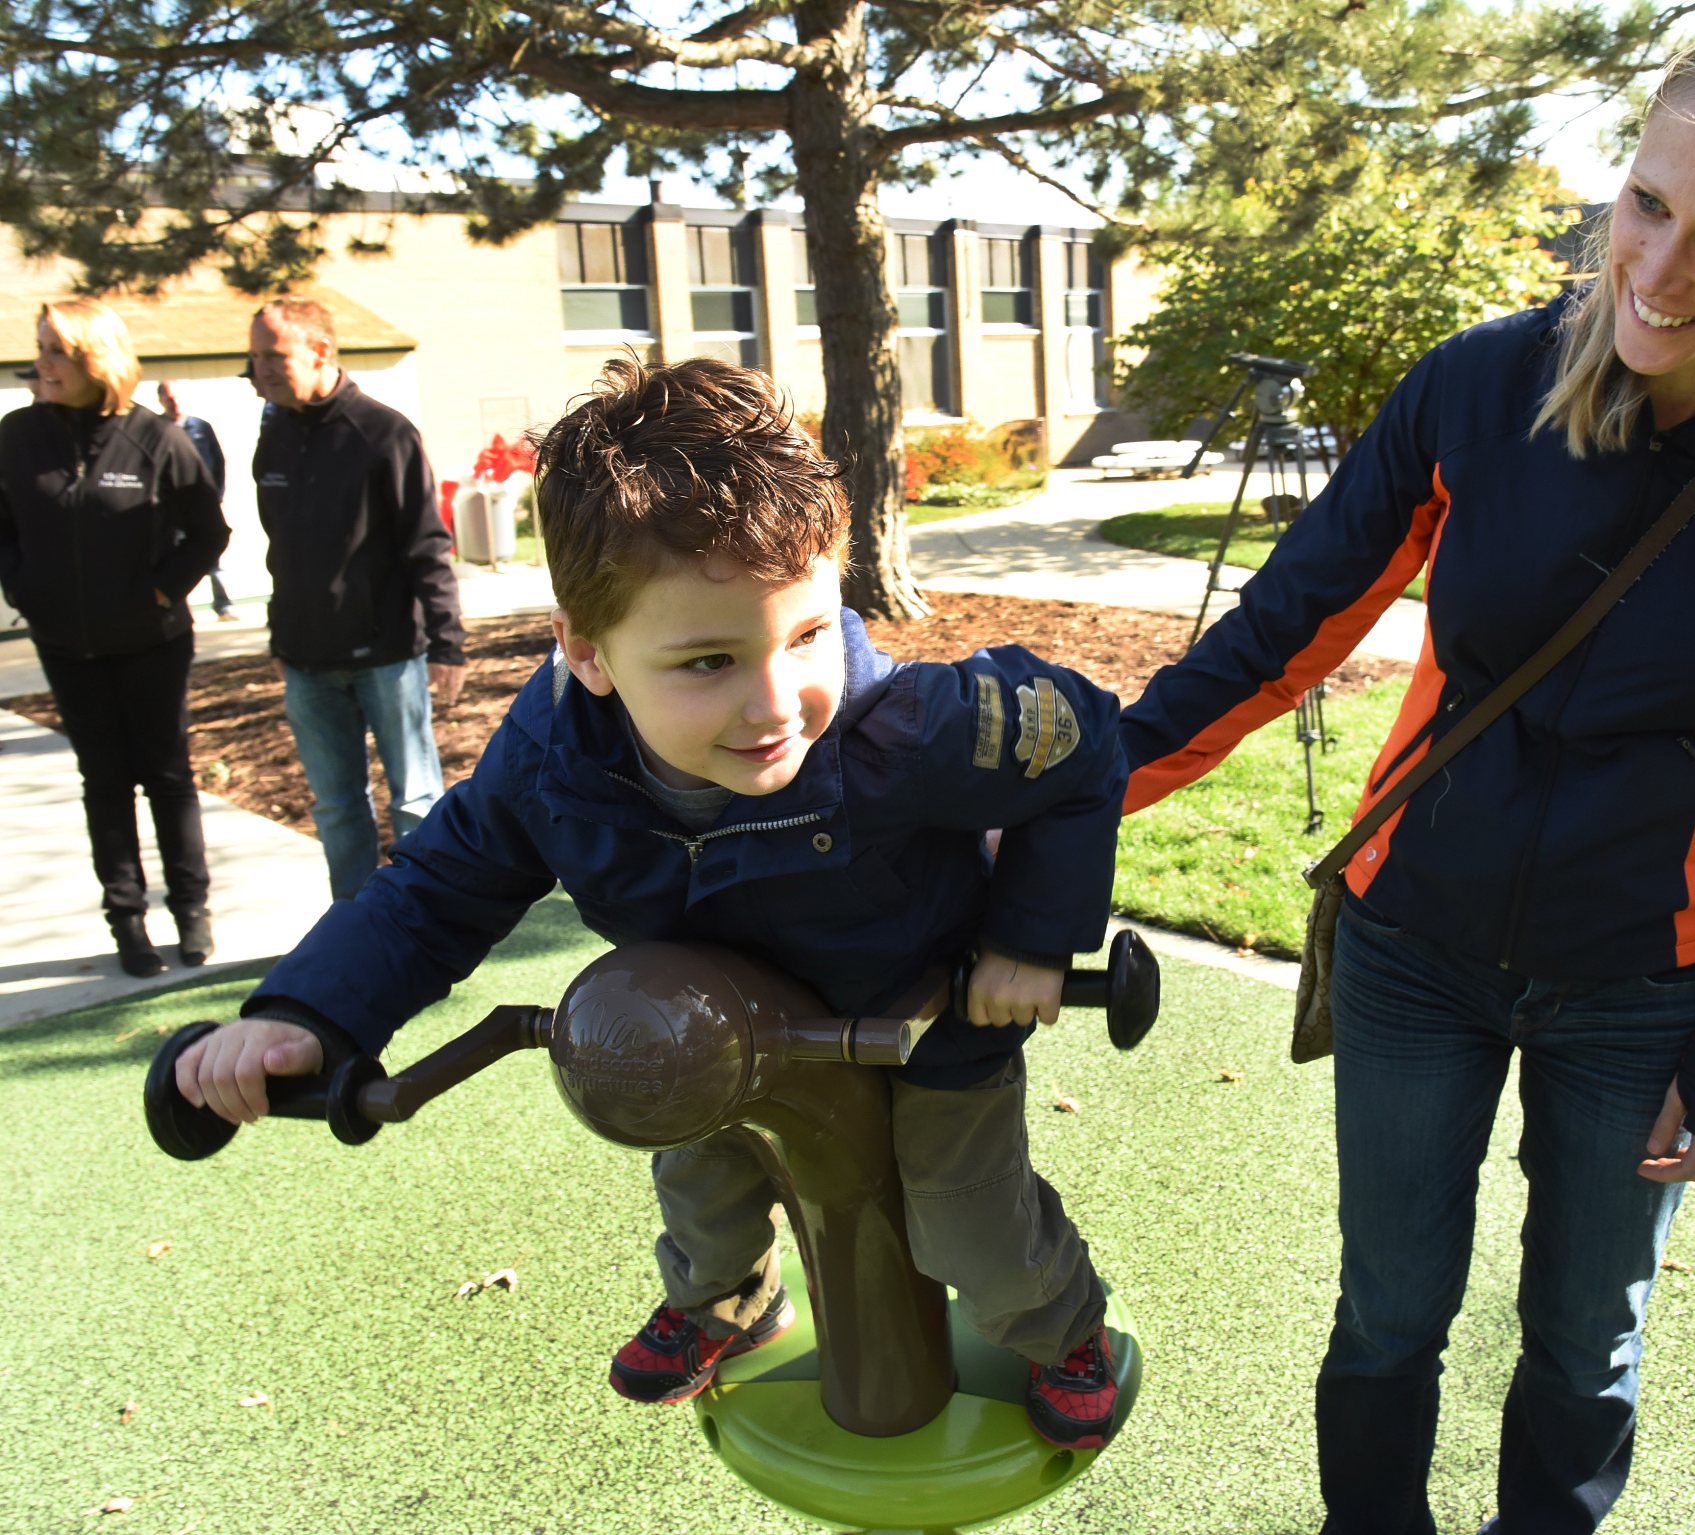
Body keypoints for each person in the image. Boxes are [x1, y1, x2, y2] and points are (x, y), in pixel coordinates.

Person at [1118, 5, 1695, 1530]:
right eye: (1646, 202)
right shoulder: (1479, 387)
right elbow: (1279, 635)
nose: (1655, 271)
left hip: (1645, 989)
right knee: (1389, 1313)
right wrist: (1072, 794)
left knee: (1586, 1339)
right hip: (1411, 945)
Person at [171, 357, 1129, 1449]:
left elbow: (1082, 740)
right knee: (701, 1190)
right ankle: (728, 1298)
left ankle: (1062, 1328)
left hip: (921, 1017)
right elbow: (434, 889)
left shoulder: (906, 729)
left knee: (971, 1231)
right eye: (709, 660)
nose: (775, 703)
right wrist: (307, 1014)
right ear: (586, 650)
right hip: (704, 1031)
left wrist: (1029, 939)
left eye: (807, 635)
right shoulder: (552, 761)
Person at [0, 300, 231, 976]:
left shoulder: (155, 438)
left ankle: (191, 911)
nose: (41, 363)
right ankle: (127, 920)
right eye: (41, 348)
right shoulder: (17, 436)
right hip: (65, 644)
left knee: (167, 777)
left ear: (95, 359)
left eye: (56, 351)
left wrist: (162, 589)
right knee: (103, 780)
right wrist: (23, 587)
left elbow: (209, 532)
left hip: (153, 641)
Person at [247, 296, 467, 899]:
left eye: (274, 355)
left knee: (416, 800)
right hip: (306, 661)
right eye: (255, 356)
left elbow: (426, 544)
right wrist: (280, 636)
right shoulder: (274, 436)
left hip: (387, 656)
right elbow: (280, 549)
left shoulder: (383, 434)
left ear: (320, 351)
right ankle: (354, 926)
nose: (260, 369)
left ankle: (427, 917)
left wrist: (447, 643)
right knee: (337, 807)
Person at [154, 379, 237, 620]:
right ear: (161, 400)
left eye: (177, 397)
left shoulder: (201, 427)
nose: (174, 402)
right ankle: (178, 610)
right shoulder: (156, 429)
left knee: (212, 555)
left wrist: (216, 495)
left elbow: (218, 462)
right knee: (175, 560)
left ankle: (223, 605)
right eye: (169, 398)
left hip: (203, 505)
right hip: (170, 510)